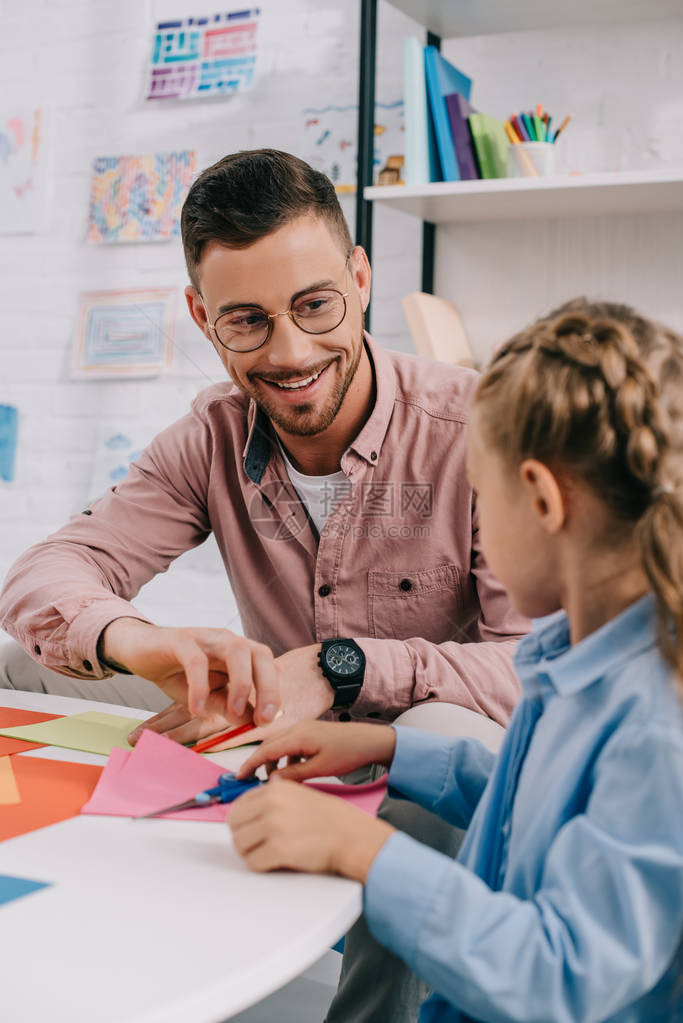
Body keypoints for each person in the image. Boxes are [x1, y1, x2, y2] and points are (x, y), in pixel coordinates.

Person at [0, 149, 527, 1022]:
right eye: (246, 321)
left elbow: (535, 669)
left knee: (438, 738)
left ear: (359, 279)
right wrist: (145, 642)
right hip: (275, 707)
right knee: (22, 663)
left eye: (314, 305)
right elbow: (43, 575)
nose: (289, 352)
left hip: (426, 733)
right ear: (202, 317)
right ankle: (69, 932)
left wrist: (344, 666)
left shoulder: (474, 427)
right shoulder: (211, 435)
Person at [229, 299, 683, 1022]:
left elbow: (558, 978)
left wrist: (362, 848)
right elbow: (529, 804)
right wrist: (387, 745)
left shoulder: (654, 727)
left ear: (538, 498)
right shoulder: (573, 656)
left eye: (480, 492)